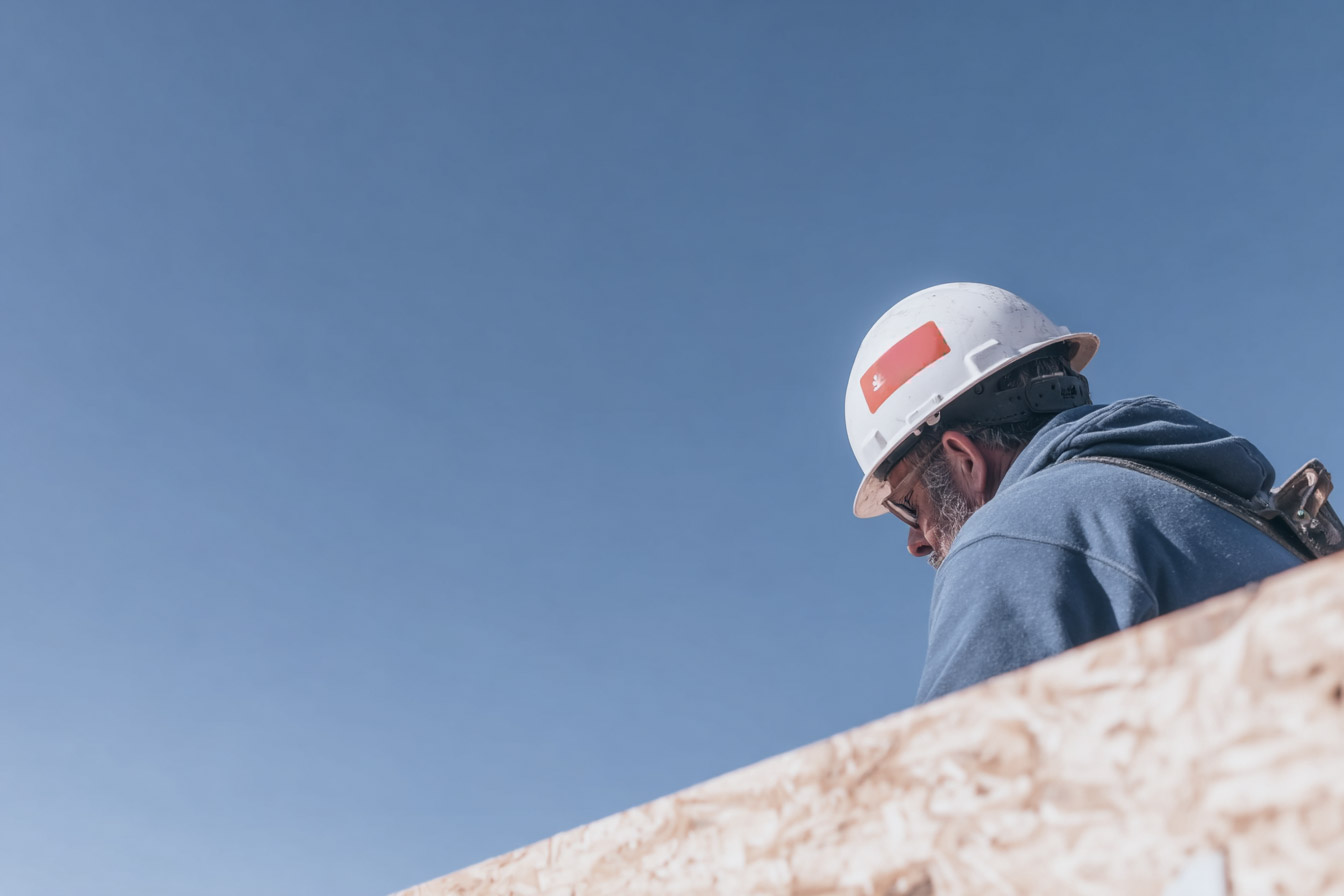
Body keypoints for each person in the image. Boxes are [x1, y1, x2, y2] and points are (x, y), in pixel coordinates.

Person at [844, 283, 1301, 703]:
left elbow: (961, 777)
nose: (916, 541)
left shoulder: (1015, 538)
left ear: (965, 458)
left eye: (909, 503)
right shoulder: (1215, 505)